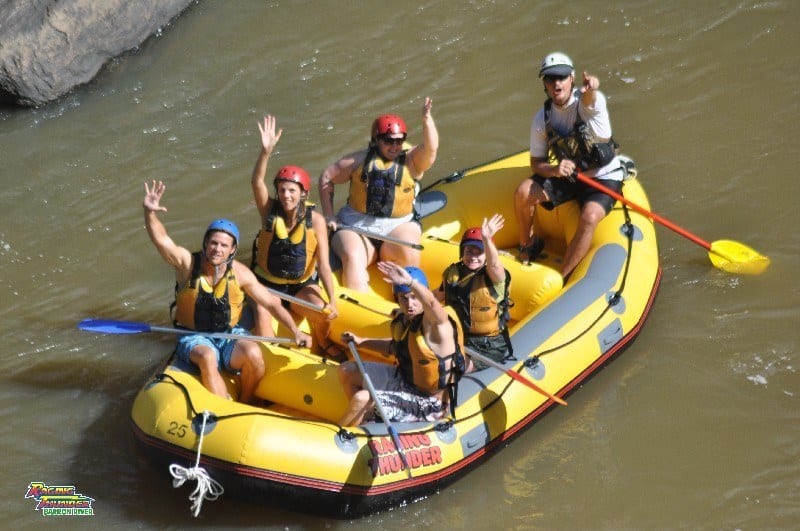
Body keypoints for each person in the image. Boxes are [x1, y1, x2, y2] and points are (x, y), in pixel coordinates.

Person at [143, 180, 312, 404]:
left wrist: (294, 331)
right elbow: (163, 241)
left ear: (233, 249)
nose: (217, 249)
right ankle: (222, 409)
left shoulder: (240, 273)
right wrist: (149, 213)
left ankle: (246, 401)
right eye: (213, 243)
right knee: (207, 356)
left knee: (254, 355)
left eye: (224, 246)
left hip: (229, 333)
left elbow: (271, 304)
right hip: (194, 336)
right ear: (205, 244)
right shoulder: (187, 265)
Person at [514, 52, 624, 278]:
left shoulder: (589, 102)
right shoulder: (541, 119)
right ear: (544, 83)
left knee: (589, 217)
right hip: (570, 177)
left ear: (572, 79)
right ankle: (528, 244)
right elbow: (536, 163)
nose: (557, 83)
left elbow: (590, 99)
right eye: (550, 78)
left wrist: (592, 87)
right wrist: (554, 170)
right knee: (523, 193)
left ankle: (564, 277)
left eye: (562, 77)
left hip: (603, 176)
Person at [319, 98, 439, 292]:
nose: (395, 146)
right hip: (355, 227)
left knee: (410, 248)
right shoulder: (356, 161)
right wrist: (329, 214)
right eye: (388, 141)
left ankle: (408, 299)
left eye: (399, 140)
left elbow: (431, 150)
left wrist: (426, 120)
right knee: (352, 256)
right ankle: (360, 307)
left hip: (398, 228)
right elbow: (326, 177)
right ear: (376, 140)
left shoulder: (411, 162)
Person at [249, 115, 344, 361]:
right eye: (281, 190)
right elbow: (256, 181)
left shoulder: (317, 221)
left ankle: (321, 342)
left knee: (322, 313)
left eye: (292, 190)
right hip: (267, 284)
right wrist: (265, 151)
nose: (286, 195)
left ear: (303, 193)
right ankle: (272, 357)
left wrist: (332, 300)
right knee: (262, 314)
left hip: (301, 284)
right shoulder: (268, 210)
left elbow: (323, 264)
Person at [337, 262, 469, 426]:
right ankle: (366, 422)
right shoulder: (407, 321)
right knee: (346, 370)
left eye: (414, 297)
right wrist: (361, 342)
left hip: (429, 403)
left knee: (362, 398)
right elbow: (395, 347)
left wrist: (410, 283)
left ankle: (341, 435)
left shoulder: (437, 325)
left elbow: (432, 304)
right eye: (404, 299)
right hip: (405, 382)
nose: (409, 304)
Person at [436, 214, 513, 370]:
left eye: (479, 253)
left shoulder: (494, 277)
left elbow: (494, 265)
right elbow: (437, 295)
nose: (473, 257)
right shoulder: (453, 273)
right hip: (458, 337)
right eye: (469, 251)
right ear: (462, 252)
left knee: (449, 367)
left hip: (488, 345)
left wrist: (486, 238)